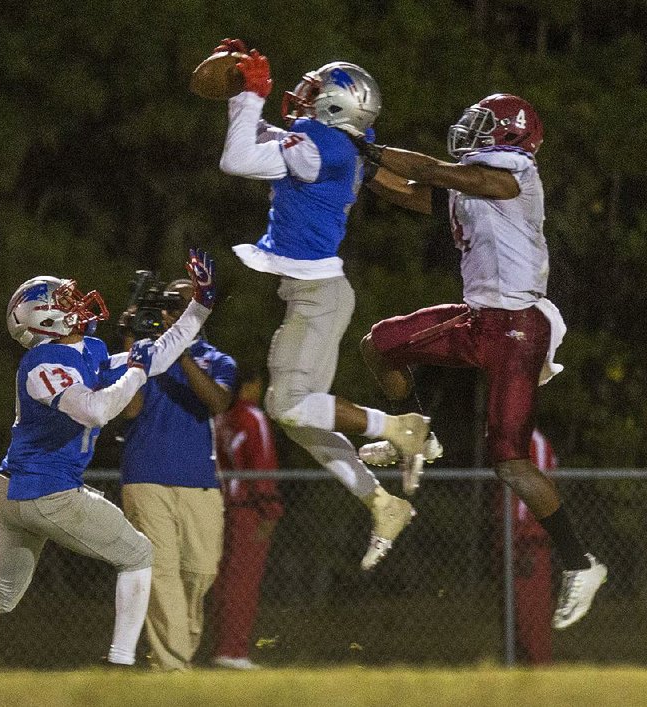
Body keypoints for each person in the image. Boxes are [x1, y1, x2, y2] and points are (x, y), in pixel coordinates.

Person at [0, 249, 217, 667]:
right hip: (45, 491)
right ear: (45, 319)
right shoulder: (42, 364)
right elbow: (96, 409)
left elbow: (157, 354)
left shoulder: (87, 349)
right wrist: (136, 372)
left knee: (2, 594)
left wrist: (200, 305)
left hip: (12, 489)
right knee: (138, 554)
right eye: (65, 301)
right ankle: (121, 665)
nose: (78, 303)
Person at [357, 93, 607, 629]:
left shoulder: (514, 174)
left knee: (509, 461)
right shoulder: (469, 183)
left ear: (511, 137)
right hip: (478, 320)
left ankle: (581, 564)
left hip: (517, 327)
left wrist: (369, 147)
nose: (471, 130)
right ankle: (417, 430)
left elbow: (427, 170)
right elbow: (415, 193)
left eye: (484, 125)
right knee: (379, 344)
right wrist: (358, 164)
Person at [215, 37, 431, 571]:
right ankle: (382, 502)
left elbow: (237, 157)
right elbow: (260, 140)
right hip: (313, 294)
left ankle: (400, 428)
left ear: (336, 106)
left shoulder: (324, 146)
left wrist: (252, 97)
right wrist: (240, 95)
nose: (305, 97)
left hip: (317, 296)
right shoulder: (335, 144)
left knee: (285, 405)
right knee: (301, 419)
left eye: (317, 92)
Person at [116, 277, 236, 671]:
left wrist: (179, 350)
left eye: (185, 305)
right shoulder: (142, 354)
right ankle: (173, 672)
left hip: (199, 482)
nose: (175, 312)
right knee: (161, 574)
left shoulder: (218, 359)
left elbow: (217, 402)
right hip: (146, 476)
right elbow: (129, 409)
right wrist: (129, 348)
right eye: (170, 305)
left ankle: (174, 656)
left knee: (199, 574)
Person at [211, 365, 283, 671]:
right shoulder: (252, 416)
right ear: (251, 385)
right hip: (249, 509)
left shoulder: (221, 419)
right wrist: (270, 509)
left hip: (224, 506)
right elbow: (262, 463)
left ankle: (222, 646)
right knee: (244, 582)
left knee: (225, 581)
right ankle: (234, 651)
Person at [495, 428, 557, 664]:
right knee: (512, 623)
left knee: (532, 622)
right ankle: (518, 681)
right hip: (510, 542)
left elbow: (534, 496)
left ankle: (540, 682)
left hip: (527, 544)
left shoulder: (533, 442)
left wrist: (522, 534)